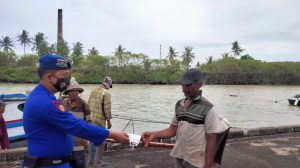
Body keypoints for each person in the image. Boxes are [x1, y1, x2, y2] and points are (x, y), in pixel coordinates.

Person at [22, 54, 128, 168]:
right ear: (49, 77)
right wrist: (111, 134)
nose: (67, 80)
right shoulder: (45, 102)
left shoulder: (43, 96)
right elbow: (75, 125)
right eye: (64, 75)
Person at [142, 68, 225, 168]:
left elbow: (212, 140)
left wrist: (208, 165)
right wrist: (153, 134)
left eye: (189, 85)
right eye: (183, 85)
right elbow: (171, 130)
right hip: (180, 156)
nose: (184, 89)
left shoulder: (208, 108)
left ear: (200, 84)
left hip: (197, 161)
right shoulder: (179, 105)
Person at [62, 82, 92, 167]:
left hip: (79, 139)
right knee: (67, 163)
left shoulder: (83, 104)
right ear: (68, 93)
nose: (74, 93)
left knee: (80, 163)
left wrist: (87, 137)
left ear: (78, 92)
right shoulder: (63, 103)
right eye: (71, 91)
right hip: (66, 139)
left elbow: (89, 121)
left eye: (76, 91)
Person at [87, 77, 113, 167]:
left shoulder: (93, 91)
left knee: (91, 141)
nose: (110, 87)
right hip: (100, 120)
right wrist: (109, 121)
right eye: (110, 85)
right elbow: (107, 109)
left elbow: (88, 104)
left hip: (91, 119)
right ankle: (98, 161)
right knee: (101, 141)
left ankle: (90, 162)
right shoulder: (106, 93)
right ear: (108, 84)